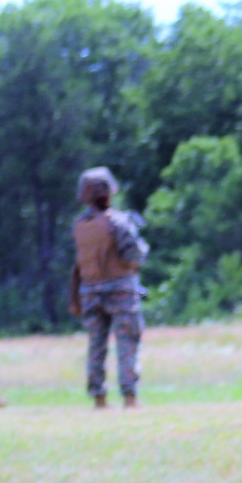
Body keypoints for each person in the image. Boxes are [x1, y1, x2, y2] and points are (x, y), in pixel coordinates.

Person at [70, 167, 148, 409]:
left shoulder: (80, 225)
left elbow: (80, 262)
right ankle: (130, 396)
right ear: (108, 193)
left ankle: (99, 398)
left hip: (90, 292)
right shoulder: (117, 222)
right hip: (120, 291)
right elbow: (133, 255)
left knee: (96, 346)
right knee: (127, 343)